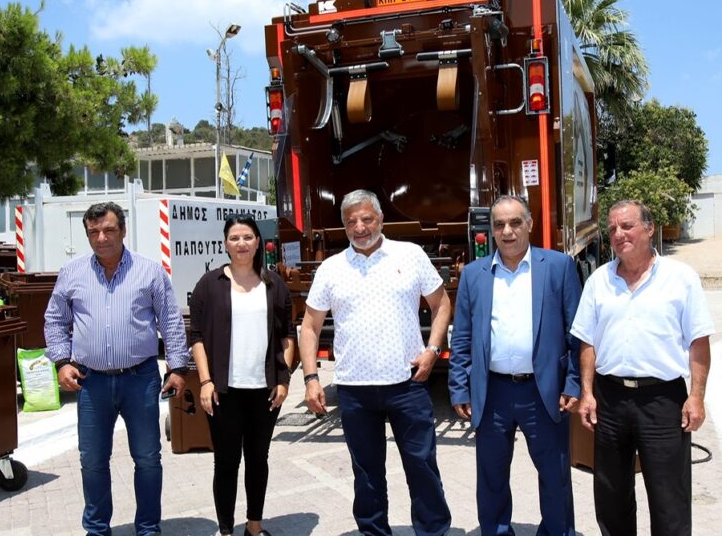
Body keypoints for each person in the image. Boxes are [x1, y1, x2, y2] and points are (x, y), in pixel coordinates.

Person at [299, 189, 453, 536]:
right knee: (367, 474)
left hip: (408, 384)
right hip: (354, 390)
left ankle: (433, 531)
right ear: (344, 226)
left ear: (381, 219)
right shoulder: (331, 268)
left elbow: (441, 303)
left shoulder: (409, 255)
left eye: (367, 219)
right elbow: (310, 326)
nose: (360, 227)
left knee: (422, 468)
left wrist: (432, 349)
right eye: (351, 221)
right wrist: (311, 378)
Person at [570, 199, 714, 536]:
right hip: (610, 399)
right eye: (612, 229)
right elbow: (587, 343)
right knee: (611, 494)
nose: (619, 234)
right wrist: (587, 393)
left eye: (627, 226)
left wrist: (696, 397)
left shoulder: (681, 278)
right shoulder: (599, 281)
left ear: (649, 229)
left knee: (669, 496)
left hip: (662, 401)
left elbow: (699, 341)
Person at [44, 201, 189, 536]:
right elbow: (54, 320)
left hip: (141, 380)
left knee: (147, 458)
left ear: (123, 231)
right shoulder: (72, 273)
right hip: (91, 382)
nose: (101, 237)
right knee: (92, 460)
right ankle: (97, 529)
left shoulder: (149, 271)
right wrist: (62, 362)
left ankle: (148, 528)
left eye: (109, 229)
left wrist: (178, 367)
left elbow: (170, 321)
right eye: (93, 231)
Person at [448, 195, 581, 536]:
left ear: (530, 224)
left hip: (543, 391)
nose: (507, 231)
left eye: (515, 223)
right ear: (492, 230)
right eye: (499, 225)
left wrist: (573, 383)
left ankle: (557, 532)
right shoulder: (474, 275)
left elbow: (576, 334)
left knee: (554, 473)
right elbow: (461, 336)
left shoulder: (558, 266)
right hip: (493, 392)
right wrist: (459, 387)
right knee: (491, 476)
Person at [188, 215, 295, 536]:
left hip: (264, 390)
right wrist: (205, 381)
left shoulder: (274, 284)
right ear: (225, 243)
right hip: (224, 391)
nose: (241, 244)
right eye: (234, 238)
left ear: (258, 241)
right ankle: (225, 531)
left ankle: (254, 527)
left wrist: (284, 378)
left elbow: (288, 334)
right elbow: (197, 336)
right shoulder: (209, 284)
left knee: (258, 460)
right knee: (226, 462)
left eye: (247, 237)